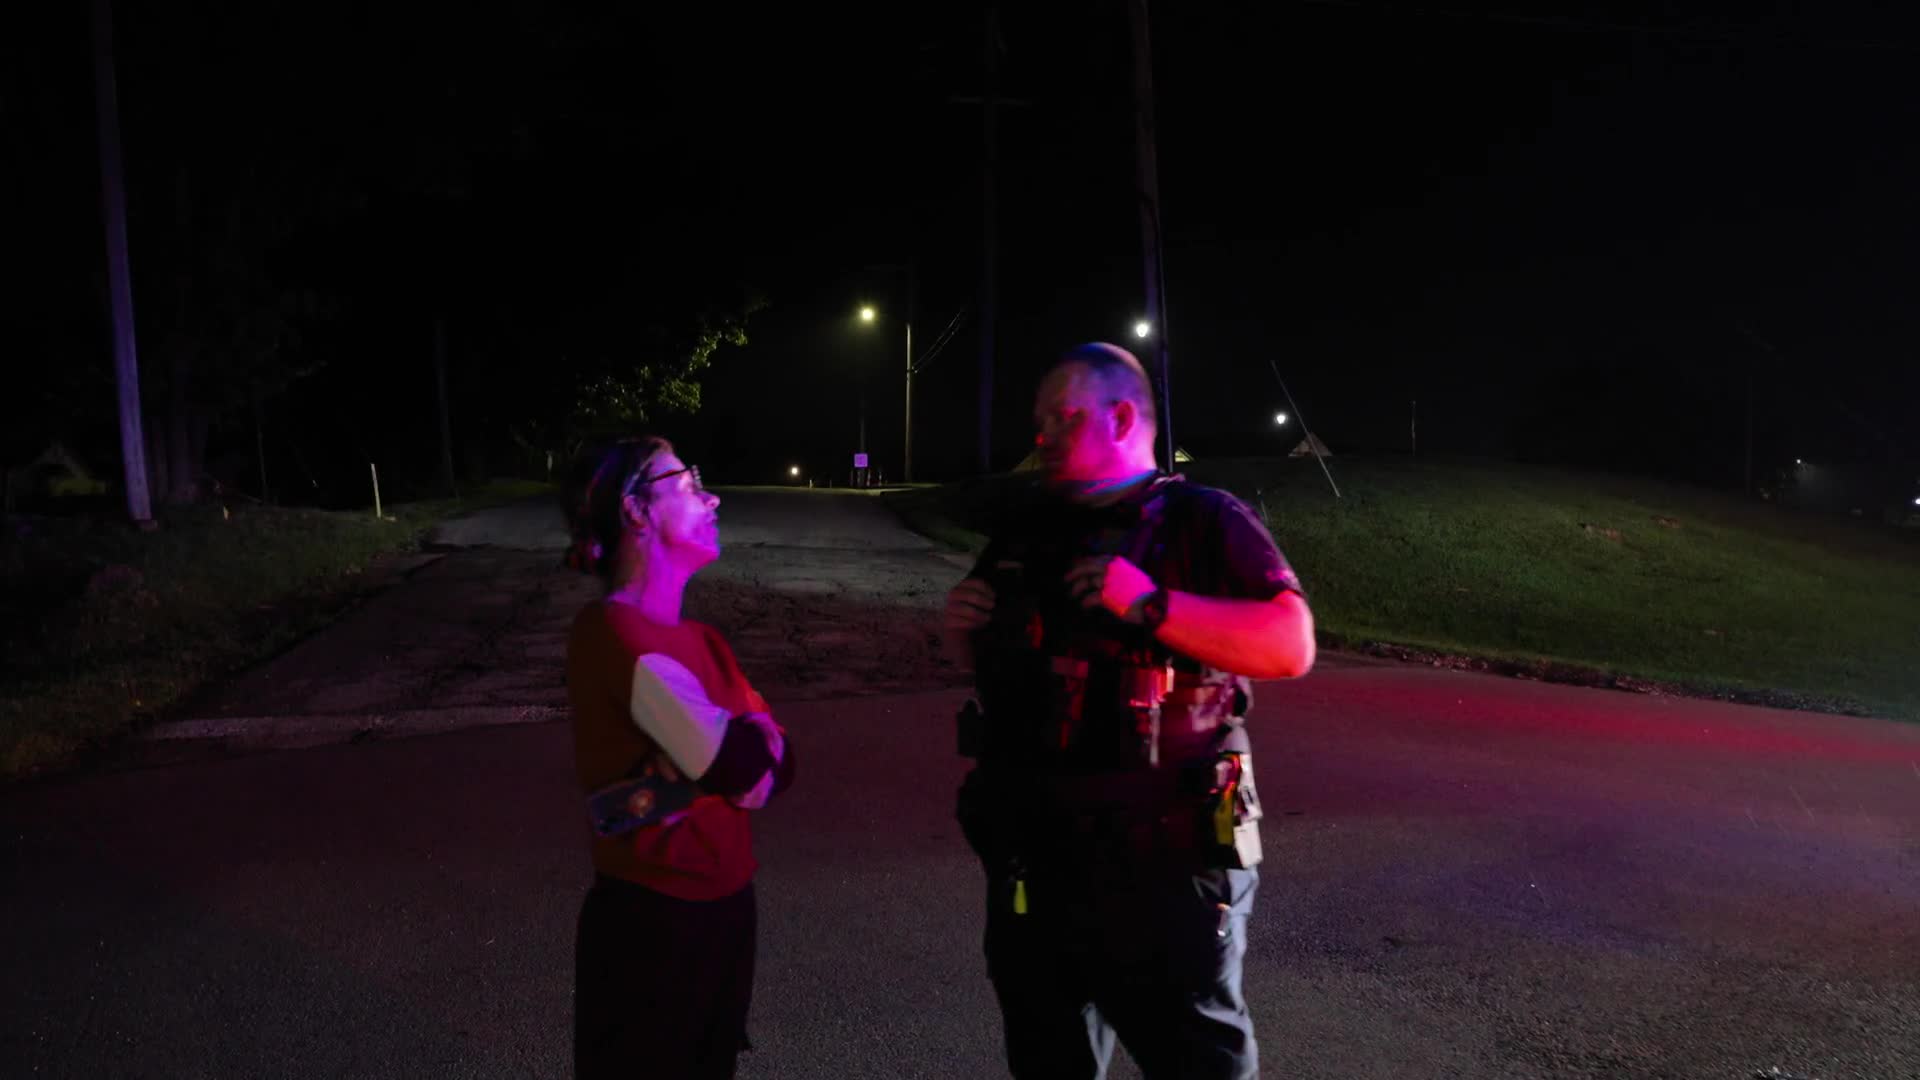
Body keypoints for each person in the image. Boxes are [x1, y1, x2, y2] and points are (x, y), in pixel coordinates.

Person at [944, 343, 1316, 1080]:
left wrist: (1150, 604)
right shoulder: (1025, 531)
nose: (1042, 434)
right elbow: (998, 669)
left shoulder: (1203, 519)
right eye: (1040, 419)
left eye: (1062, 417)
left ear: (1120, 418)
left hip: (1167, 872)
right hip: (1035, 862)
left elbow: (1291, 642)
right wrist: (962, 631)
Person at [562, 436, 795, 1080]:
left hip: (728, 911)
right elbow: (743, 767)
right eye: (689, 483)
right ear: (636, 510)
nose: (711, 497)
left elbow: (780, 767)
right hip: (654, 928)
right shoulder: (613, 633)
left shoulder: (705, 641)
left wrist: (699, 774)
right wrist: (736, 753)